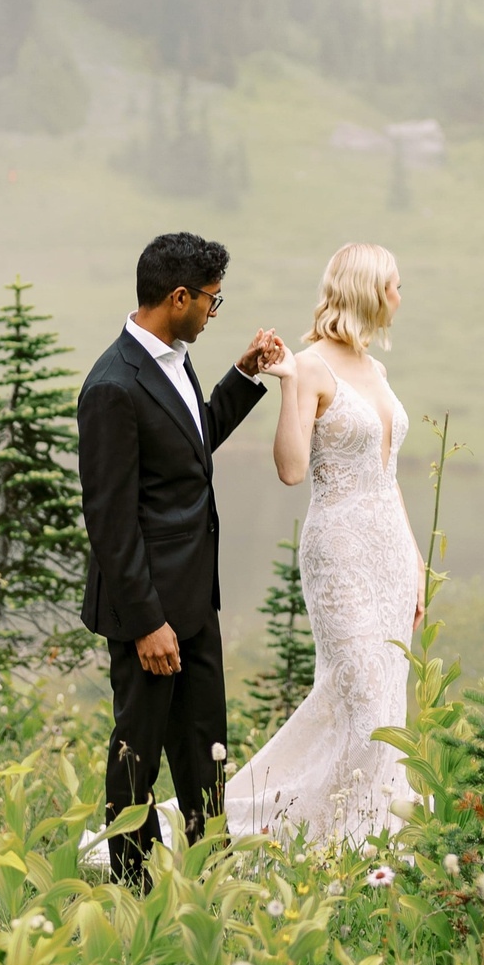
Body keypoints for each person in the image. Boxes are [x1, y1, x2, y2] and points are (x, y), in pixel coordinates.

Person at [76, 231, 282, 886]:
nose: (213, 314)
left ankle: (212, 876)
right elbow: (110, 522)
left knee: (204, 751)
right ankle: (131, 890)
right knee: (137, 754)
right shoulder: (111, 386)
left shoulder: (175, 359)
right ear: (179, 297)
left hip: (195, 602)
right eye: (211, 303)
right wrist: (146, 623)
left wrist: (244, 376)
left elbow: (191, 447)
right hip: (149, 613)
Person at [225, 242, 424, 847]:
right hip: (339, 555)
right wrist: (287, 385)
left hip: (391, 555)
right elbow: (290, 470)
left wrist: (415, 560)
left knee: (386, 706)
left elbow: (387, 475)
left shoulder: (378, 370)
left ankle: (375, 837)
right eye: (393, 285)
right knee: (364, 703)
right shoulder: (309, 367)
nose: (399, 296)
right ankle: (310, 836)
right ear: (367, 291)